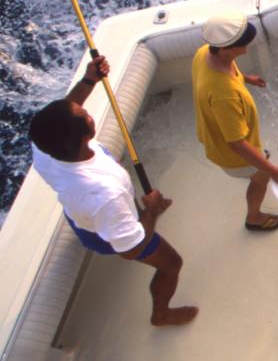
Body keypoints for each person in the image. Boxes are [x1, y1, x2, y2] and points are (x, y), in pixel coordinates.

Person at [29, 56, 198, 326]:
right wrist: (151, 212)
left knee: (120, 217)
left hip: (87, 217)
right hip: (111, 233)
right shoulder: (105, 195)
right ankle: (161, 314)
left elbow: (67, 111)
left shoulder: (44, 146)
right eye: (85, 115)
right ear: (87, 136)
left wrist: (89, 80)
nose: (85, 109)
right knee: (172, 264)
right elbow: (130, 249)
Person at [191, 12, 278, 231]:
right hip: (234, 156)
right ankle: (254, 217)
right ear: (224, 49)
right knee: (260, 179)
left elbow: (224, 73)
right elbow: (237, 143)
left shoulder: (204, 53)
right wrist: (274, 172)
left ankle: (260, 165)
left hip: (218, 134)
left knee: (261, 167)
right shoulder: (225, 96)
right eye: (242, 46)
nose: (246, 49)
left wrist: (246, 79)